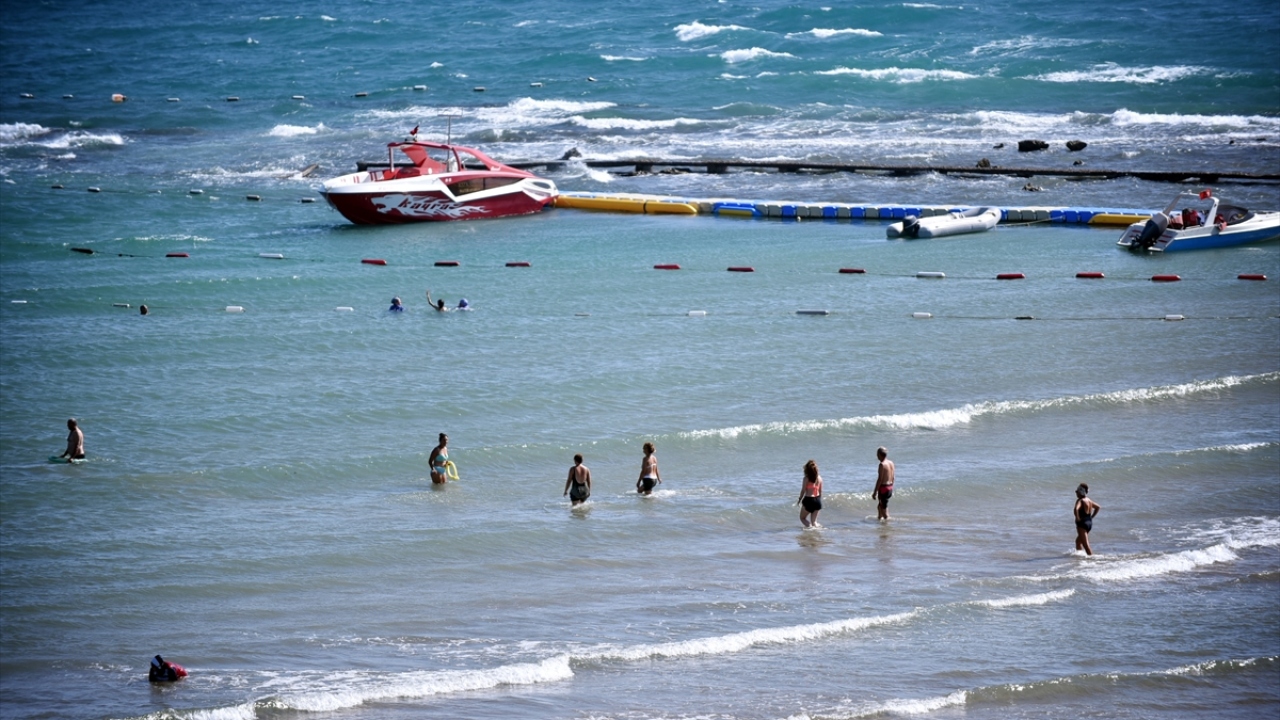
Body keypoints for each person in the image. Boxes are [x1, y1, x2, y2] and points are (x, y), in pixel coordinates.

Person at [1074, 483, 1101, 556]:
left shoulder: (1080, 500)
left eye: (1077, 491)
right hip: (1089, 523)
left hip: (1082, 524)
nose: (1076, 492)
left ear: (1081, 492)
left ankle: (1092, 560)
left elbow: (1076, 509)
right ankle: (1079, 557)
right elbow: (1098, 507)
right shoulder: (1089, 500)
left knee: (1086, 545)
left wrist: (1078, 518)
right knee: (1078, 542)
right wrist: (1092, 517)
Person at [797, 459, 823, 527]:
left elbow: (803, 491)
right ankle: (815, 530)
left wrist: (799, 499)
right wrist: (819, 501)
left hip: (808, 500)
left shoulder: (806, 479)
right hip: (817, 500)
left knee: (802, 518)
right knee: (814, 522)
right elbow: (820, 491)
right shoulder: (819, 478)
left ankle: (810, 528)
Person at [873, 446, 894, 521]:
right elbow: (893, 477)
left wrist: (875, 492)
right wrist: (891, 487)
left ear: (879, 455)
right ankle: (879, 520)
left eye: (877, 454)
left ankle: (887, 523)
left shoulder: (882, 465)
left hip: (884, 488)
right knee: (880, 506)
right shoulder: (891, 463)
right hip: (890, 487)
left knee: (883, 508)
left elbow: (880, 479)